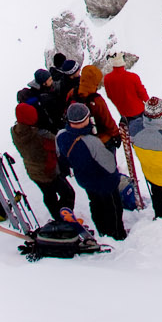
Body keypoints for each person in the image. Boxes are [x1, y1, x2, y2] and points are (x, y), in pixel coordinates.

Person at [55, 102, 128, 241]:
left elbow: (62, 157)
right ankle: (117, 234)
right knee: (112, 207)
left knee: (95, 203)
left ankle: (102, 231)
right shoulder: (91, 142)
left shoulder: (61, 135)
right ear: (85, 119)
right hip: (104, 182)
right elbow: (110, 166)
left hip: (84, 178)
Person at [11, 101, 76, 217]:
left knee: (49, 195)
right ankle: (64, 217)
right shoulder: (40, 136)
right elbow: (57, 143)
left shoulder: (15, 132)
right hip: (48, 171)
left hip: (33, 172)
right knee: (68, 193)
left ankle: (57, 216)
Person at [103, 52, 150, 139]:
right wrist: (149, 103)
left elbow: (109, 95)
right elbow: (142, 93)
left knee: (132, 130)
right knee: (143, 131)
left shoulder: (107, 79)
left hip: (123, 112)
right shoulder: (132, 77)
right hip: (138, 110)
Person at [74, 66, 122, 145]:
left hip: (81, 140)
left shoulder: (73, 93)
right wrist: (116, 134)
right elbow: (107, 120)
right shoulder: (96, 100)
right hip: (101, 139)